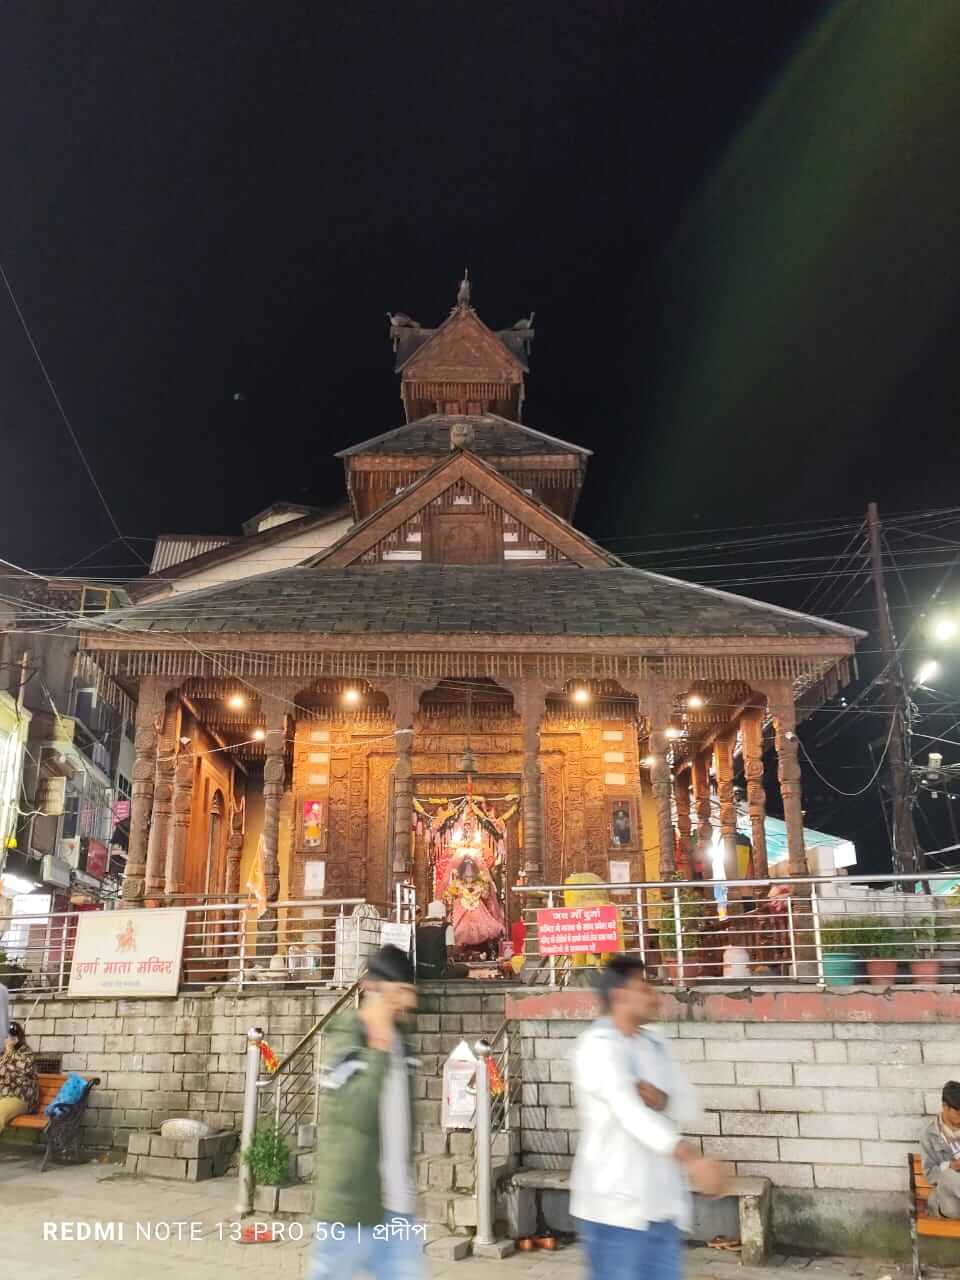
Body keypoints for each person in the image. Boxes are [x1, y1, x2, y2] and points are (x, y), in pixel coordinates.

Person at [571, 954, 728, 1280]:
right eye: (644, 987)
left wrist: (663, 1099)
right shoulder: (597, 1048)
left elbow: (686, 1103)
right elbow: (630, 1114)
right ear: (620, 997)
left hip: (661, 1208)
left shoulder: (654, 1044)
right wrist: (692, 1159)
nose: (654, 995)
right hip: (614, 1214)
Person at [310, 945, 424, 1280]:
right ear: (375, 989)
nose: (407, 1003)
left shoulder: (403, 1042)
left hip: (398, 1208)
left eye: (409, 992)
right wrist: (378, 1047)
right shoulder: (348, 1035)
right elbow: (355, 1110)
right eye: (399, 992)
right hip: (351, 1208)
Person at [920, 1080, 960, 1218]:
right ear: (945, 1107)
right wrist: (952, 1166)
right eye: (958, 1112)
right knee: (947, 1175)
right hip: (947, 1202)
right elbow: (930, 1174)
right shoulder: (929, 1134)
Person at [0, 1019, 40, 1134]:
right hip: (4, 1095)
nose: (8, 1039)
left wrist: (10, 1053)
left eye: (12, 1036)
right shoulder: (3, 1053)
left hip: (21, 1097)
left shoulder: (26, 1054)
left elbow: (19, 1073)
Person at [415, 900, 468, 980]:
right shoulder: (446, 926)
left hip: (420, 972)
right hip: (437, 972)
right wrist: (450, 957)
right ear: (443, 915)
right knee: (464, 968)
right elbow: (449, 952)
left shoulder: (419, 924)